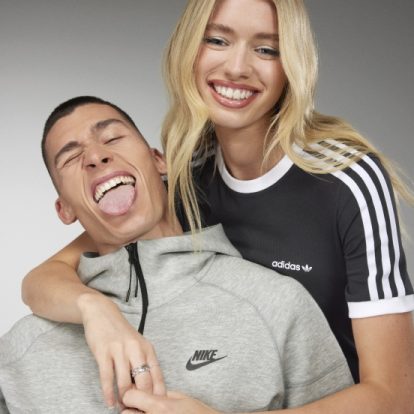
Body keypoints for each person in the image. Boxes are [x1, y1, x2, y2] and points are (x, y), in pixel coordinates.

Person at [22, 0, 414, 413]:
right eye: (217, 40)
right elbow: (44, 278)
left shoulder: (346, 179)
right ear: (188, 50)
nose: (237, 68)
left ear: (292, 66)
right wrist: (96, 311)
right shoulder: (189, 181)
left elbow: (397, 398)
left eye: (266, 49)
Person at [0, 96, 353, 413]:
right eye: (72, 157)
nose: (95, 156)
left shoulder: (276, 304)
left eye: (112, 138)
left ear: (159, 162)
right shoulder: (20, 352)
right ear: (64, 210)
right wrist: (94, 309)